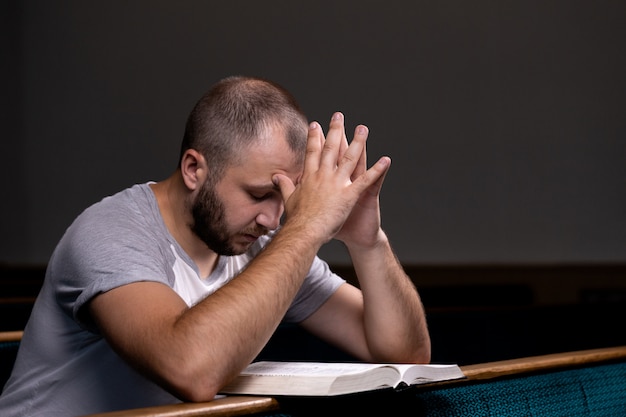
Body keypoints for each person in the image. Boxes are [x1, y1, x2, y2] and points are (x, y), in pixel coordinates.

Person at [0, 76, 431, 416]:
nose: (274, 219)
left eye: (287, 197)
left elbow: (403, 352)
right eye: (260, 194)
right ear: (193, 169)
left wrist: (368, 242)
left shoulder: (263, 244)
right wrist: (309, 227)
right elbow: (191, 369)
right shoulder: (110, 232)